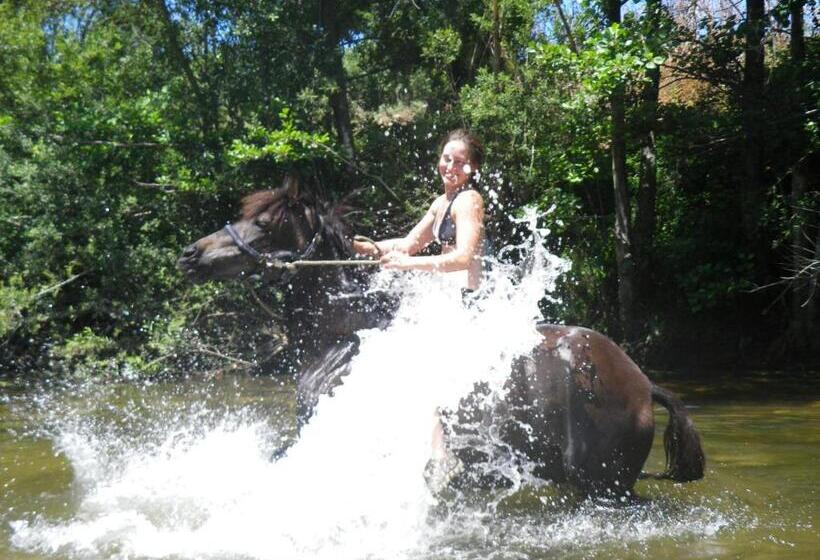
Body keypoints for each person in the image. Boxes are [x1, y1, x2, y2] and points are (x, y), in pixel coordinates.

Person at [352, 128, 486, 291]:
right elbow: (408, 245)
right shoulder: (440, 203)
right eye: (446, 159)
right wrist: (357, 246)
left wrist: (407, 263)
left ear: (473, 167)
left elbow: (464, 258)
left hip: (472, 302)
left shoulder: (468, 200)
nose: (450, 167)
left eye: (459, 162)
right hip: (452, 298)